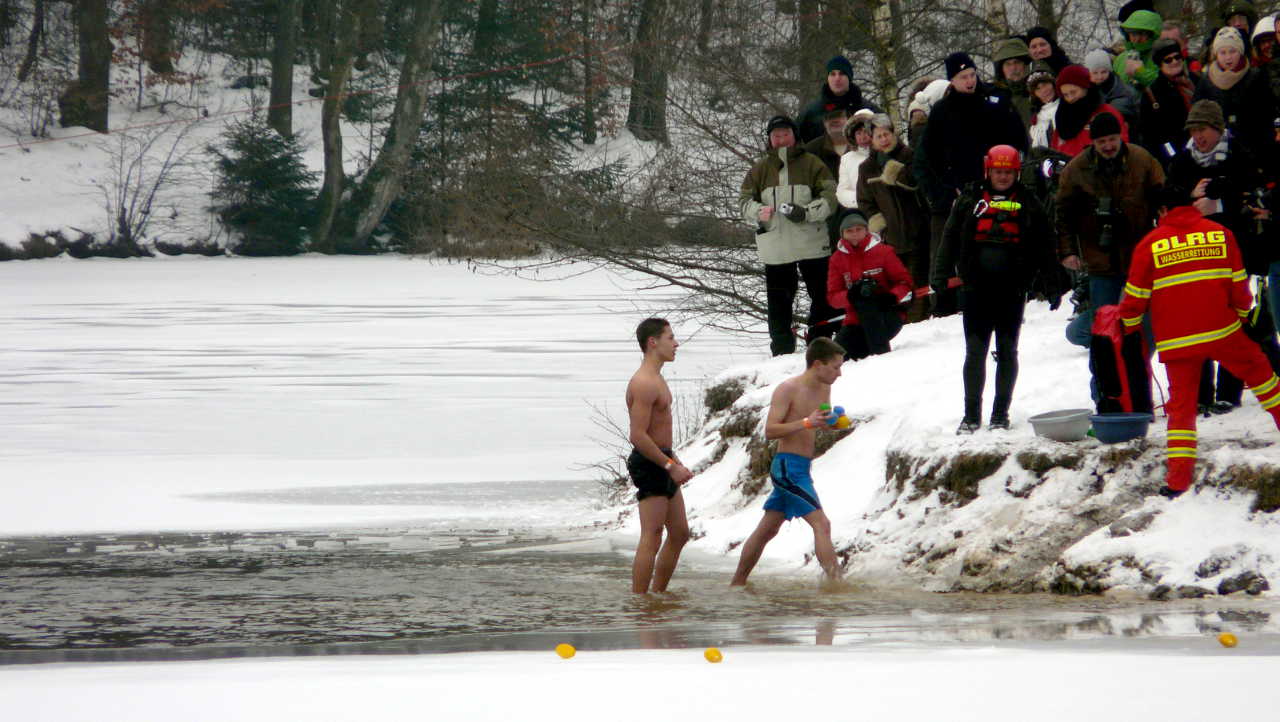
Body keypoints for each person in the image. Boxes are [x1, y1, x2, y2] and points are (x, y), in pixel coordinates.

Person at [1117, 201, 1280, 498]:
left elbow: (1135, 295)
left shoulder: (1150, 243)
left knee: (1182, 411)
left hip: (1178, 341)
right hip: (1223, 330)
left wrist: (1128, 329)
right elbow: (1238, 284)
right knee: (1264, 378)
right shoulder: (1220, 233)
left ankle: (1178, 481)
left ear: (1163, 209)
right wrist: (1245, 319)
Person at [933, 144, 1061, 433]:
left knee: (1007, 351)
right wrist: (940, 273)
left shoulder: (1029, 202)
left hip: (1012, 290)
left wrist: (1052, 283)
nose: (1003, 177)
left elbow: (1045, 245)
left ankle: (1000, 413)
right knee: (975, 352)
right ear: (988, 171)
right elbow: (950, 237)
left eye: (1008, 172)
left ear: (1016, 173)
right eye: (998, 172)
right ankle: (970, 415)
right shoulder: (969, 199)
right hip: (976, 288)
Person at [1167, 100, 1273, 413]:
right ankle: (1201, 393)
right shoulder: (1183, 161)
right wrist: (1191, 197)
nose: (1198, 136)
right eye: (1194, 130)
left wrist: (1221, 205)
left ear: (1217, 128)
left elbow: (1255, 196)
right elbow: (1167, 200)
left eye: (1203, 129)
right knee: (1196, 321)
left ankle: (1229, 391)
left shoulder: (1240, 154)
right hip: (1193, 253)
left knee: (1232, 319)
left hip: (1235, 250)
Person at [915, 52, 1028, 315]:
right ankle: (972, 299)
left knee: (1008, 237)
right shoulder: (943, 111)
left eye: (972, 75)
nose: (970, 81)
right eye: (963, 77)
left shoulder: (995, 99)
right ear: (951, 81)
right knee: (971, 246)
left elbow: (1018, 136)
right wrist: (948, 185)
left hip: (1002, 182)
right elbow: (930, 155)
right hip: (966, 190)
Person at [730, 337, 845, 587]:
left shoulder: (825, 387)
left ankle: (737, 584)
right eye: (835, 367)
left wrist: (832, 423)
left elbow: (819, 422)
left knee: (767, 530)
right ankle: (837, 587)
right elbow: (770, 430)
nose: (840, 373)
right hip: (786, 467)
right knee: (822, 524)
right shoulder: (787, 388)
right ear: (817, 364)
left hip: (802, 467)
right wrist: (807, 422)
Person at [1057, 113, 1165, 371]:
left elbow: (1163, 200)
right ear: (1092, 142)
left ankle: (1138, 377)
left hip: (1140, 258)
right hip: (1100, 261)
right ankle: (1105, 394)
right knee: (1103, 333)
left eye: (1112, 139)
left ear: (1122, 136)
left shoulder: (1143, 160)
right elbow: (1062, 213)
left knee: (1144, 326)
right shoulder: (1076, 169)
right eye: (1102, 141)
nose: (1108, 146)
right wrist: (1067, 250)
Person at [740, 115, 841, 355]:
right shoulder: (759, 169)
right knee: (778, 304)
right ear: (769, 139)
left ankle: (820, 342)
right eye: (776, 136)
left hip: (812, 243)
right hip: (776, 247)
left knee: (823, 296)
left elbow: (830, 197)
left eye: (785, 134)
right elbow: (744, 202)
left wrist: (806, 213)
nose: (781, 139)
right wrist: (758, 211)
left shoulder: (813, 164)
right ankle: (782, 351)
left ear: (794, 136)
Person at [626, 318, 693, 594]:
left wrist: (674, 460)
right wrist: (668, 465)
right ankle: (641, 602)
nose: (676, 343)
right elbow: (638, 435)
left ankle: (658, 594)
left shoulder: (658, 378)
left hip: (663, 458)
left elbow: (659, 430)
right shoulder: (643, 382)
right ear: (653, 342)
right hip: (650, 461)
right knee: (652, 536)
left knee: (679, 533)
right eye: (670, 338)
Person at [856, 113, 932, 319]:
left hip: (918, 230)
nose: (884, 139)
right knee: (898, 283)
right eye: (878, 136)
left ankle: (919, 321)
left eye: (886, 134)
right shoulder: (866, 168)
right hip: (890, 237)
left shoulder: (909, 156)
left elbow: (920, 184)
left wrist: (896, 175)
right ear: (872, 140)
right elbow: (864, 201)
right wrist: (879, 223)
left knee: (919, 281)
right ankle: (903, 321)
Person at [826, 210, 913, 359]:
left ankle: (882, 357)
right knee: (835, 356)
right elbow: (833, 297)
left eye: (859, 229)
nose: (855, 234)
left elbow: (905, 283)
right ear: (842, 233)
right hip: (855, 319)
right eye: (849, 231)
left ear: (866, 230)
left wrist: (891, 297)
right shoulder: (836, 259)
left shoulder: (883, 251)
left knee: (869, 307)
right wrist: (851, 295)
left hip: (887, 314)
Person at [1194, 25, 1279, 157]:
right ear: (1216, 54)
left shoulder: (1256, 77)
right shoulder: (1206, 82)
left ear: (1240, 51)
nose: (1228, 58)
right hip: (1219, 151)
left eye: (1232, 51)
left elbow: (1268, 114)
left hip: (1255, 149)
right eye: (1223, 52)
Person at [1139, 37, 1200, 166]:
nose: (1174, 62)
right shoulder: (1152, 94)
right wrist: (1173, 156)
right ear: (1159, 64)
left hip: (1207, 150)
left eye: (1177, 57)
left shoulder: (1197, 81)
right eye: (1168, 60)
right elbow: (1152, 137)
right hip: (1178, 161)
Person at [1050, 64, 1129, 157]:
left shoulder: (1106, 112)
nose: (1070, 98)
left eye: (1073, 92)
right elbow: (1054, 149)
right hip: (1069, 169)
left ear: (1085, 88)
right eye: (1065, 95)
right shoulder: (1062, 118)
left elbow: (1121, 144)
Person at [798, 55, 879, 144]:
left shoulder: (867, 109)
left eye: (842, 74)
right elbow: (792, 139)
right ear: (828, 78)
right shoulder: (812, 112)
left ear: (849, 78)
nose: (837, 78)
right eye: (833, 74)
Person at [1086, 48, 1141, 130]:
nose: (1100, 77)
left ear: (1110, 71)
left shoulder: (1126, 92)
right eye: (1095, 73)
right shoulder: (1085, 94)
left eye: (1104, 72)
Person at [835, 109, 876, 210]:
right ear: (853, 136)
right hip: (862, 211)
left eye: (866, 132)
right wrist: (862, 199)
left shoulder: (886, 153)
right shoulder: (847, 159)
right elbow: (842, 192)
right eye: (858, 133)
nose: (863, 137)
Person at [1113, 9, 1163, 90]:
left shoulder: (1164, 57)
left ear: (1154, 34)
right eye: (1132, 33)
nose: (1136, 39)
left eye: (1142, 34)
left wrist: (1141, 73)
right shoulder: (1120, 59)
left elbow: (1167, 86)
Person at [994, 36, 1034, 128]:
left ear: (1025, 65)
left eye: (1017, 62)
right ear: (1002, 69)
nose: (1013, 68)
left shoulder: (1039, 92)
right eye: (1008, 64)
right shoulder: (995, 98)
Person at [1028, 63, 1060, 149]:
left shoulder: (1066, 107)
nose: (1043, 90)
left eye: (1045, 85)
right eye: (1038, 89)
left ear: (1053, 85)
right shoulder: (1036, 117)